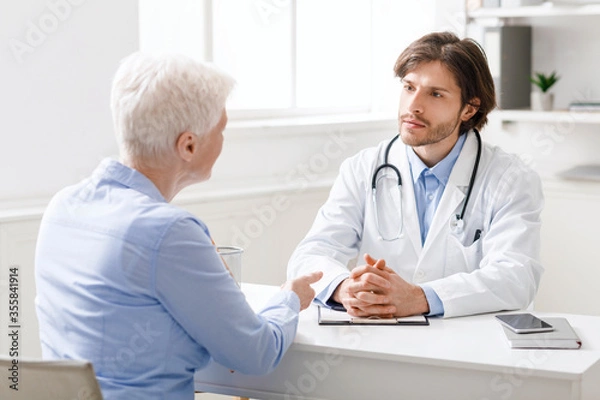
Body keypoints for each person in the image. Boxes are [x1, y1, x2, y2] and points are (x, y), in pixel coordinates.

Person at [34, 52, 322, 399]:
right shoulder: (169, 232)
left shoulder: (62, 207)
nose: (223, 140)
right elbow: (255, 353)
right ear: (188, 145)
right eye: (221, 130)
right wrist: (290, 298)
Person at [287, 31, 544, 319]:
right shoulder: (362, 169)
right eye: (409, 88)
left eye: (435, 94)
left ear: (469, 108)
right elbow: (311, 254)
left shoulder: (511, 179)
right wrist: (344, 287)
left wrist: (420, 298)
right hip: (380, 339)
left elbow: (516, 277)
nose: (413, 106)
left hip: (470, 348)